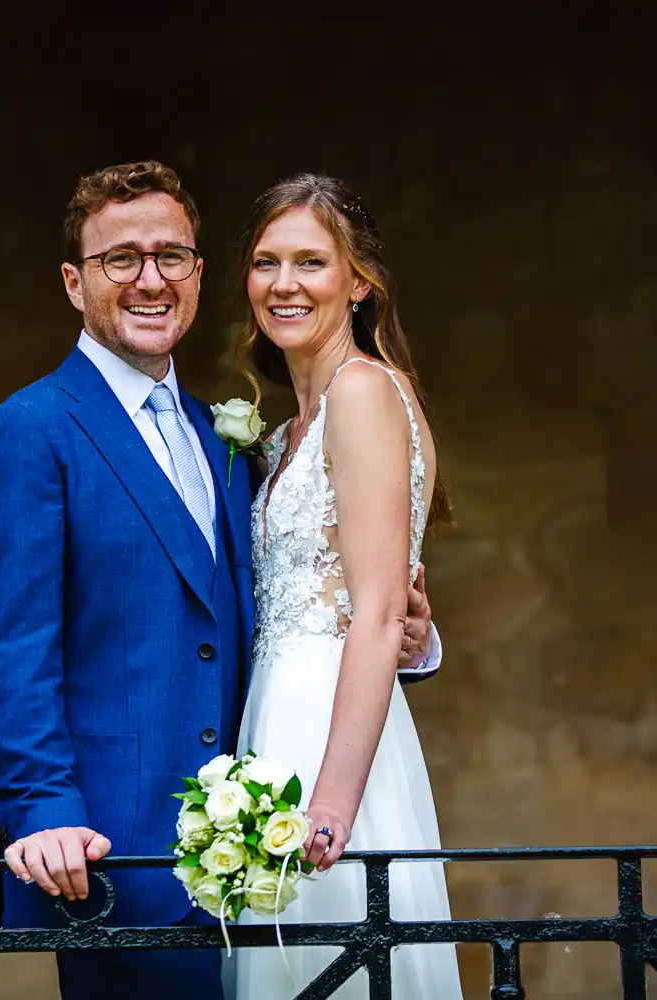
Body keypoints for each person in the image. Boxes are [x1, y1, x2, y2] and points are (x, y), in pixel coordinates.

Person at [0, 160, 443, 1000]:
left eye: (172, 255)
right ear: (75, 284)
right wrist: (41, 814)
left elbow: (313, 592)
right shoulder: (25, 432)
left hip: (262, 832)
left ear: (197, 272)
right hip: (115, 857)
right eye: (121, 260)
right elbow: (14, 648)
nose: (151, 279)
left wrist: (415, 634)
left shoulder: (226, 437)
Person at [231, 173, 463, 999]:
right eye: (265, 262)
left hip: (331, 744)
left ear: (358, 282)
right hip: (277, 719)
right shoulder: (292, 425)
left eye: (310, 262)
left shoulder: (363, 392)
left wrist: (329, 804)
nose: (283, 284)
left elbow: (373, 616)